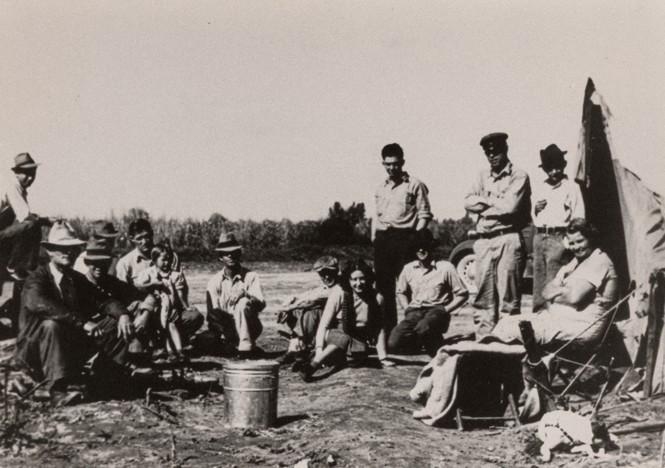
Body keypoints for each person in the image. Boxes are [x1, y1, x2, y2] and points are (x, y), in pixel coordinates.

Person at [16, 221, 133, 406]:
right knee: (51, 325)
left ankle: (103, 380)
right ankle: (57, 391)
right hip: (34, 353)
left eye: (71, 248)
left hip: (66, 347)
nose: (67, 252)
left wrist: (123, 314)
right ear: (49, 251)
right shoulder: (36, 279)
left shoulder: (75, 278)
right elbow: (43, 305)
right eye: (61, 248)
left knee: (114, 323)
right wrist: (82, 322)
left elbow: (103, 301)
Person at [490, 218, 618, 348]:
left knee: (511, 331)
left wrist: (559, 288)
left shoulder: (599, 261)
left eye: (580, 241)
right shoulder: (576, 262)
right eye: (572, 243)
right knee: (504, 322)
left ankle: (521, 365)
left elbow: (574, 297)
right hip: (554, 319)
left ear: (591, 239)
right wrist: (565, 290)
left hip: (579, 326)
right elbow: (545, 292)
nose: (576, 247)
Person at [464, 132, 531, 338]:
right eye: (488, 153)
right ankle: (484, 343)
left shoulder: (519, 175)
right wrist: (495, 204)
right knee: (484, 298)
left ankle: (506, 344)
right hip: (484, 241)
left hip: (507, 238)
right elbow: (467, 201)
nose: (492, 156)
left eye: (496, 152)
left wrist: (483, 203)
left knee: (508, 300)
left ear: (505, 151)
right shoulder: (481, 176)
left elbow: (510, 207)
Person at [373, 143, 432, 338]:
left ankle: (414, 333)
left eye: (396, 164)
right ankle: (388, 333)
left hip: (406, 239)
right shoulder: (380, 187)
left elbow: (424, 214)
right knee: (384, 289)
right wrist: (374, 237)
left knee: (410, 287)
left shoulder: (415, 185)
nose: (392, 168)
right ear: (383, 164)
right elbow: (377, 215)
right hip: (384, 241)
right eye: (388, 164)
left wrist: (416, 239)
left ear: (402, 162)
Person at [298, 259, 390, 382]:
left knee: (354, 359)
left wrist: (383, 358)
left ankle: (317, 358)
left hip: (358, 338)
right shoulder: (340, 292)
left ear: (368, 278)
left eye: (362, 278)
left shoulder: (377, 298)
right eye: (354, 279)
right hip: (336, 334)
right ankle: (312, 366)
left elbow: (380, 329)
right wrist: (319, 348)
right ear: (348, 280)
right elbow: (324, 324)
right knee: (343, 338)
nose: (359, 283)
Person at [388, 230, 469, 357]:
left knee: (423, 328)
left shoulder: (446, 267)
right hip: (415, 312)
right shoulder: (408, 268)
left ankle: (435, 344)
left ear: (432, 247)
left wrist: (446, 309)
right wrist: (406, 308)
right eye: (417, 247)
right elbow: (400, 292)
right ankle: (421, 341)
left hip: (437, 311)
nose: (421, 250)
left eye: (425, 246)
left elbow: (463, 294)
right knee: (393, 343)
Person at [81, 238, 158, 356]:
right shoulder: (79, 284)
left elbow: (146, 295)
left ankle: (136, 355)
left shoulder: (112, 282)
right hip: (92, 337)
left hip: (118, 336)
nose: (99, 266)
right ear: (86, 263)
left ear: (109, 263)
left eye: (104, 262)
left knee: (138, 306)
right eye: (94, 262)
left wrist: (145, 314)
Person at [531, 144, 585, 312]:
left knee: (555, 281)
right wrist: (535, 209)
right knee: (539, 282)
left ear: (563, 166)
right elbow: (533, 215)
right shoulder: (541, 187)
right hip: (540, 238)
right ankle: (538, 319)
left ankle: (554, 317)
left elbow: (579, 216)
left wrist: (568, 241)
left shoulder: (571, 187)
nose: (554, 171)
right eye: (550, 168)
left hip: (558, 238)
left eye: (557, 167)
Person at [206, 233, 265, 359]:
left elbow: (260, 305)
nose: (230, 256)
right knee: (202, 342)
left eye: (234, 252)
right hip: (227, 328)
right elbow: (213, 313)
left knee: (243, 302)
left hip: (250, 325)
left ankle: (245, 349)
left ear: (239, 254)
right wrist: (227, 333)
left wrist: (245, 294)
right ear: (221, 257)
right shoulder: (214, 281)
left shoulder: (251, 276)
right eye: (226, 253)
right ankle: (236, 346)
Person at [277, 255, 340, 365]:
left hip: (334, 327)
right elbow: (306, 296)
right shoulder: (322, 288)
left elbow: (314, 300)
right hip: (318, 327)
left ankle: (298, 348)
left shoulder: (339, 287)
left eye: (329, 273)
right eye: (322, 274)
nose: (326, 277)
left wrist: (291, 306)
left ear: (337, 271)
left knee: (310, 311)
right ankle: (297, 347)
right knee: (297, 309)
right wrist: (290, 301)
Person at [136, 243, 194, 359]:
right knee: (163, 329)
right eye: (163, 260)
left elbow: (180, 294)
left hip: (170, 308)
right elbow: (139, 286)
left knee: (171, 325)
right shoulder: (148, 273)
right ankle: (166, 350)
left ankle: (178, 350)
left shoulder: (175, 275)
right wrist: (152, 284)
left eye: (169, 260)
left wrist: (185, 306)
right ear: (154, 260)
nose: (167, 263)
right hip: (155, 310)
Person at [0, 153, 51, 280]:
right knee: (32, 223)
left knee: (33, 222)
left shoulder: (17, 188)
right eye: (26, 174)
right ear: (16, 173)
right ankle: (15, 266)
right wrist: (46, 221)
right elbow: (25, 217)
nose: (30, 178)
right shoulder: (12, 186)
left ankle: (25, 266)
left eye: (32, 174)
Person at [116, 218, 181, 286]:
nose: (144, 242)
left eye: (147, 236)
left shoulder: (171, 257)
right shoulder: (125, 264)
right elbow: (122, 293)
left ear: (152, 233)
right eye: (139, 238)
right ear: (132, 239)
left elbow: (180, 287)